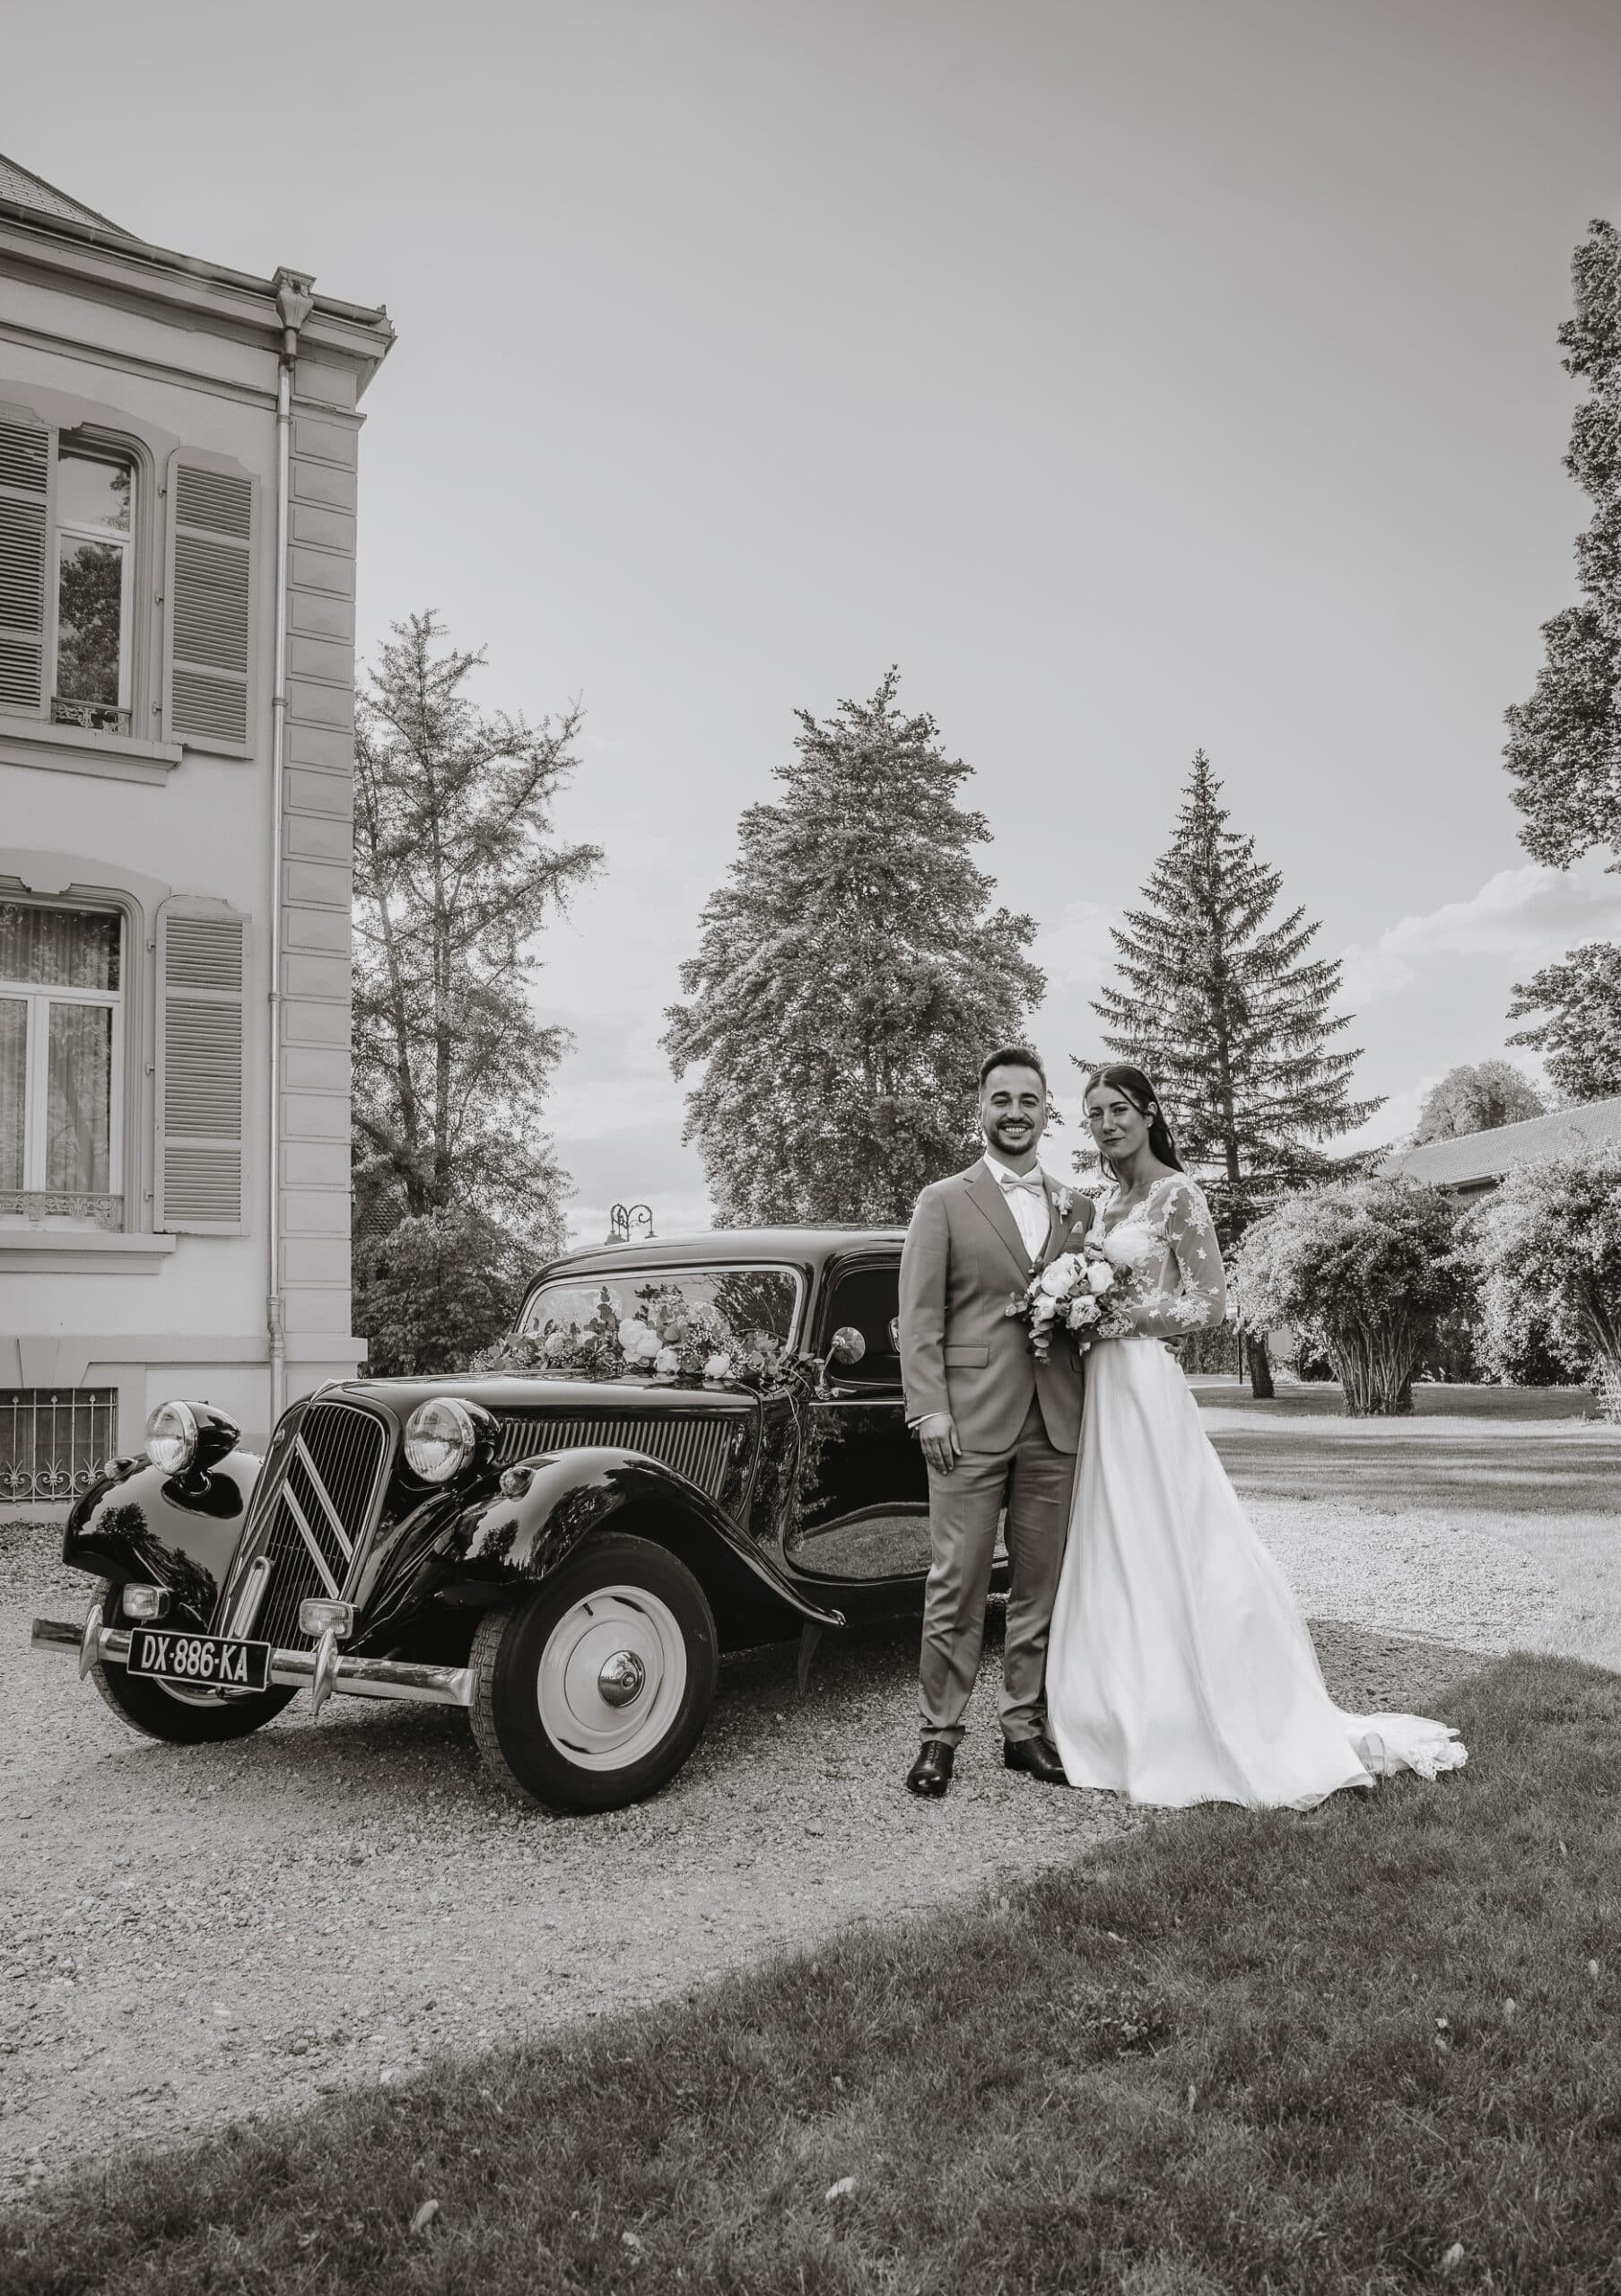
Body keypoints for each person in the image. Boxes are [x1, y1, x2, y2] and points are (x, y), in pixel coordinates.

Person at [1043, 1064, 1468, 1809]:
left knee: (1170, 1531)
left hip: (1142, 1383)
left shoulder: (1178, 1193)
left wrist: (1112, 1318)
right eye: (1094, 1115)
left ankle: (1207, 1706)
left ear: (1148, 1114)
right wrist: (1075, 1308)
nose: (1106, 1124)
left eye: (1118, 1110)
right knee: (1110, 1533)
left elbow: (1208, 1304)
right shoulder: (1103, 1205)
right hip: (1096, 1388)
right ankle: (1111, 1702)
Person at [896, 1047, 1093, 1797]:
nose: (1015, 1112)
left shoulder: (1079, 1208)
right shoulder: (942, 1200)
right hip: (966, 1423)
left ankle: (1022, 1727)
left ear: (1047, 1111)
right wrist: (929, 1408)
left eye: (1028, 1100)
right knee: (957, 1583)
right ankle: (939, 1735)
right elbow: (918, 1318)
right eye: (1000, 1099)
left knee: (1040, 1586)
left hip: (1056, 1423)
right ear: (978, 1109)